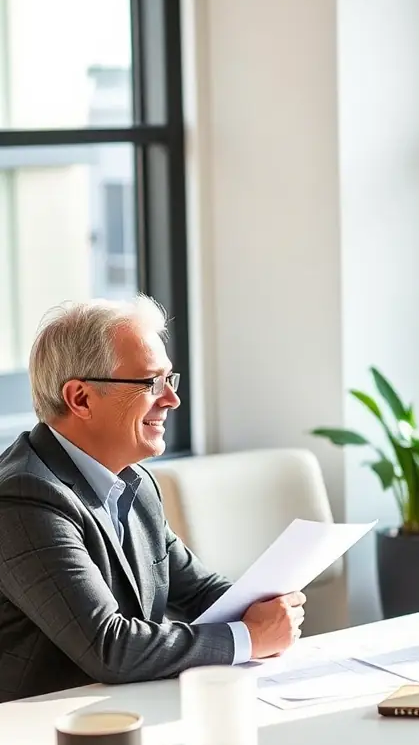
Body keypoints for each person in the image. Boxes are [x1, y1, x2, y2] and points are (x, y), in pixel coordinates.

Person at [0, 296, 305, 702]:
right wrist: (248, 637)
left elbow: (198, 592)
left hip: (124, 709)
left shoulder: (136, 482)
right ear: (81, 399)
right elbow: (110, 647)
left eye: (169, 380)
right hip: (41, 735)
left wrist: (263, 606)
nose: (171, 399)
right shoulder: (24, 496)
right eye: (150, 383)